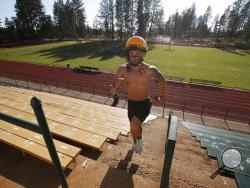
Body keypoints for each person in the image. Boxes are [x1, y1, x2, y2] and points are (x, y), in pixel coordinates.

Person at [110, 36, 166, 153]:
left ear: (143, 54)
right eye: (132, 53)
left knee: (135, 124)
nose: (134, 56)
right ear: (127, 54)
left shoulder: (150, 70)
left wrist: (161, 95)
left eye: (137, 53)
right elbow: (112, 91)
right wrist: (115, 86)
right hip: (131, 103)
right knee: (132, 129)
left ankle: (140, 141)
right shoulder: (122, 70)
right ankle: (135, 141)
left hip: (144, 103)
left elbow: (162, 79)